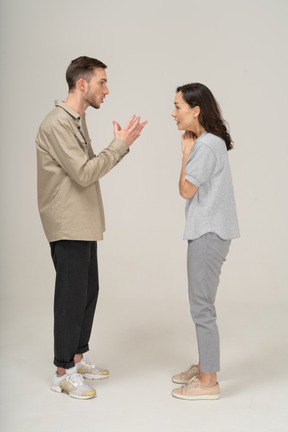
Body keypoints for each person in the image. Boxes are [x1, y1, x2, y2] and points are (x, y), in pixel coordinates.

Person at [36, 56, 147, 400]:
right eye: (102, 82)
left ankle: (77, 357)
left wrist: (118, 146)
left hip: (82, 222)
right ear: (82, 84)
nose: (106, 89)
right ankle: (62, 371)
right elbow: (85, 173)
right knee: (70, 298)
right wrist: (121, 145)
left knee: (87, 292)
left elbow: (85, 170)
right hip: (67, 222)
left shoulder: (76, 119)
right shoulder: (57, 123)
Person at [171, 83, 240, 400]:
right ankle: (205, 365)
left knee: (201, 308)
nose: (173, 113)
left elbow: (186, 190)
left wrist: (185, 154)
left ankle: (208, 383)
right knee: (203, 305)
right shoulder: (210, 142)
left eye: (178, 107)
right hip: (212, 232)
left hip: (208, 234)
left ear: (195, 110)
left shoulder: (205, 145)